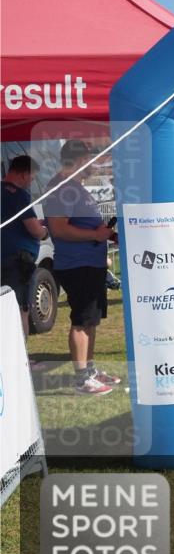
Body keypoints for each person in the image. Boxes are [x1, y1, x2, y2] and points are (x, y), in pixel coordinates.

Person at [44, 140, 120, 395]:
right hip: (77, 265)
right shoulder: (61, 187)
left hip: (91, 263)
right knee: (81, 321)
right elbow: (58, 228)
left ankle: (90, 371)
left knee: (91, 320)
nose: (93, 166)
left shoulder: (75, 187)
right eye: (90, 160)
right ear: (77, 161)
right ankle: (81, 379)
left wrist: (106, 235)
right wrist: (95, 236)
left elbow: (86, 226)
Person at [1, 155, 49, 339]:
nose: (31, 181)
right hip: (16, 262)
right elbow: (34, 230)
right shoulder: (19, 195)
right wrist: (45, 231)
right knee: (20, 309)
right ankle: (22, 360)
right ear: (23, 173)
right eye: (32, 177)